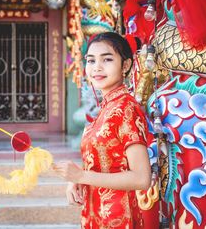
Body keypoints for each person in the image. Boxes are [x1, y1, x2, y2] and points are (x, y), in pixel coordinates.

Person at [53, 32, 152, 228]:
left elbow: (142, 178)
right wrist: (78, 177)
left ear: (125, 65)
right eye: (91, 61)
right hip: (95, 212)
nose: (96, 67)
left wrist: (81, 176)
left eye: (107, 59)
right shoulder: (107, 108)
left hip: (119, 218)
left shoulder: (126, 109)